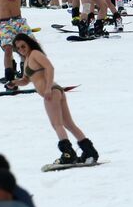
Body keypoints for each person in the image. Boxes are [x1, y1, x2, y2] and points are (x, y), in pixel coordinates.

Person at [9, 34, 99, 165]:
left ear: (29, 43)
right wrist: (14, 82)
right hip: (55, 91)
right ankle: (89, 151)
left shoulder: (35, 53)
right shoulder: (27, 58)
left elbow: (50, 67)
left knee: (57, 124)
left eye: (23, 46)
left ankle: (68, 154)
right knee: (69, 124)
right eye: (18, 48)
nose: (21, 49)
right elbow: (26, 80)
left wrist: (47, 88)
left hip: (51, 92)